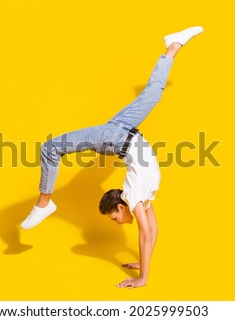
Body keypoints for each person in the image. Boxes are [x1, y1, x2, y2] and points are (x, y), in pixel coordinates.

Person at [21, 26, 203, 288]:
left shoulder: (133, 195)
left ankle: (44, 203)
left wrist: (143, 277)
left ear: (121, 206)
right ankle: (172, 48)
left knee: (50, 148)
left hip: (115, 138)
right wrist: (144, 260)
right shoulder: (145, 197)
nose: (117, 224)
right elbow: (153, 231)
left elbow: (145, 232)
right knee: (153, 95)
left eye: (114, 218)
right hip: (123, 133)